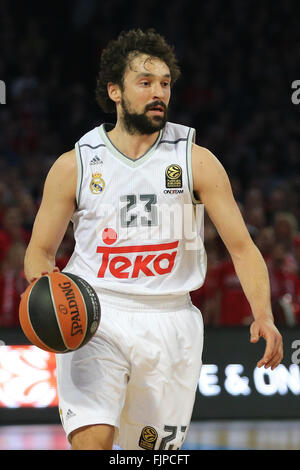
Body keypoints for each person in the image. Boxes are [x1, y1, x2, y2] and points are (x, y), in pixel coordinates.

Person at [23, 28, 283, 450]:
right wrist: (45, 287)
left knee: (151, 458)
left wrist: (264, 315)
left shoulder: (196, 160)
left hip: (170, 320)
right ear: (115, 92)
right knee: (93, 441)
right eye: (145, 83)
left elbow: (242, 247)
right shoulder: (76, 164)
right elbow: (39, 251)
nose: (158, 92)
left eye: (164, 83)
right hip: (95, 314)